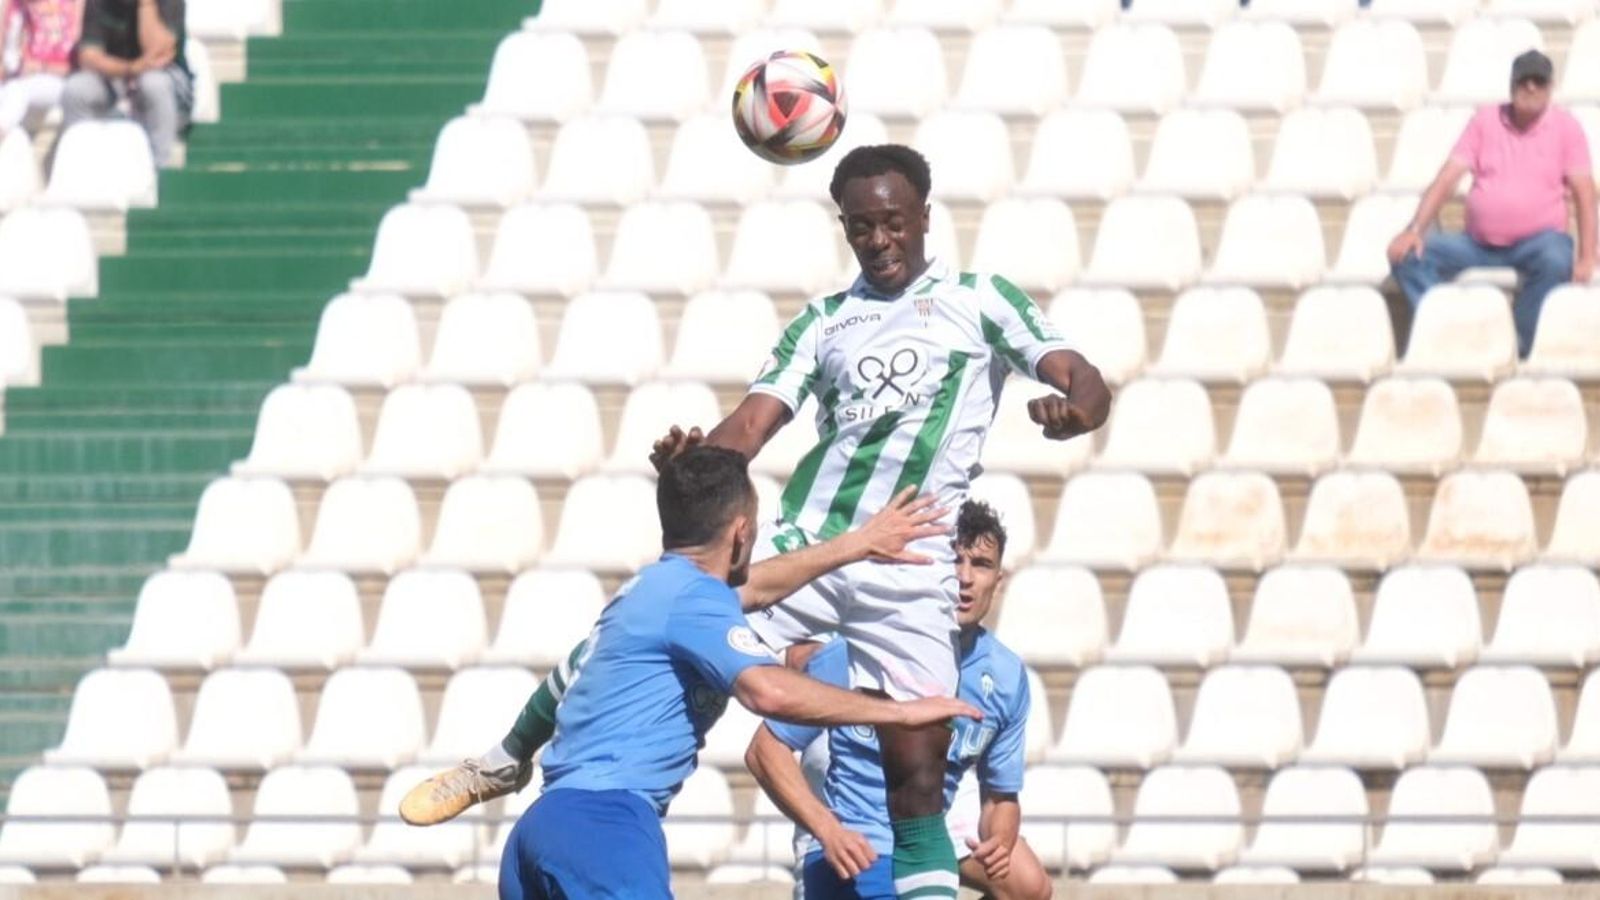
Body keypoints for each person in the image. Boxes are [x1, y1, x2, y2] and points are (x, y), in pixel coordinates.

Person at [413, 143, 1111, 900]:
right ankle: (508, 758)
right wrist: (695, 467)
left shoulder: (981, 301)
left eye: (892, 223)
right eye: (860, 227)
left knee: (919, 768)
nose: (878, 241)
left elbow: (1078, 372)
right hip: (814, 540)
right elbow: (751, 425)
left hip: (910, 558)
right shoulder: (824, 323)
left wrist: (1078, 410)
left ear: (923, 219)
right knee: (647, 613)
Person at [498, 446, 981, 899]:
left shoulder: (652, 588)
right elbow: (768, 691)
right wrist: (898, 712)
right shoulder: (696, 602)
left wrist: (857, 545)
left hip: (541, 827)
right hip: (604, 827)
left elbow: (767, 584)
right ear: (742, 533)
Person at [746, 500, 1052, 900]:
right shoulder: (855, 652)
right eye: (953, 560)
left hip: (929, 842)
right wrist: (827, 829)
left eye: (980, 565)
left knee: (1029, 887)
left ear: (999, 578)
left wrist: (1000, 838)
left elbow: (1001, 796)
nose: (964, 578)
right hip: (859, 850)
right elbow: (764, 751)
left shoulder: (1007, 676)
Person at [1388, 49, 1596, 358]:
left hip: (1538, 243)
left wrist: (1588, 256)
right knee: (1406, 257)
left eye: (1538, 81)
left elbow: (1585, 193)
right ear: (1511, 84)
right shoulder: (1485, 121)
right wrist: (1415, 229)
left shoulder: (1567, 128)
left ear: (1550, 87)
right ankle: (1453, 333)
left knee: (1556, 260)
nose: (1530, 88)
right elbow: (1448, 177)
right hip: (1478, 244)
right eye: (1523, 80)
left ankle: (1519, 346)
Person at [57, 0, 190, 168]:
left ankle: (160, 172)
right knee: (76, 89)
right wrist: (131, 68)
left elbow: (157, 53)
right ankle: (82, 168)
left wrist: (146, 4)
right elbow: (88, 57)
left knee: (153, 83)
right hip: (117, 77)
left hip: (170, 84)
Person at [0, 0, 82, 137]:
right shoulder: (15, 5)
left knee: (17, 90)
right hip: (18, 79)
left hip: (61, 81)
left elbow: (80, 67)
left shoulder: (73, 5)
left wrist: (41, 67)